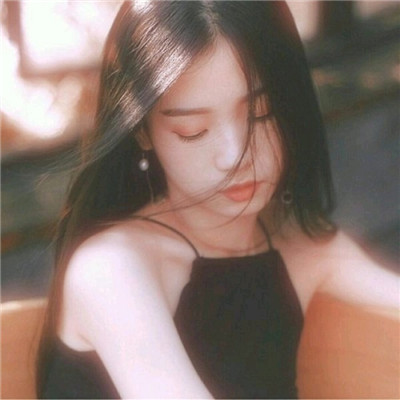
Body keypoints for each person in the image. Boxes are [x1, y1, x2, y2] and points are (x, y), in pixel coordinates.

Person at [36, 1, 399, 399]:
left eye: (261, 113)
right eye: (192, 130)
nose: (233, 156)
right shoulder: (111, 268)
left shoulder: (305, 250)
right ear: (142, 131)